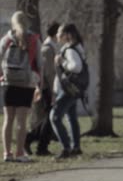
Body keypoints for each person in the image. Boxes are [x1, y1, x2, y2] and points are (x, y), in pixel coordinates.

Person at [1, 11, 42, 162]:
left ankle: (7, 153)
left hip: (8, 82)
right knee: (21, 121)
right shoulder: (33, 39)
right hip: (26, 84)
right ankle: (19, 153)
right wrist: (40, 84)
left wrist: (2, 76)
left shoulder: (6, 39)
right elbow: (39, 63)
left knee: (8, 119)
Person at [49, 23, 85, 159]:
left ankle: (66, 148)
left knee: (55, 117)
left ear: (67, 35)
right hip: (72, 89)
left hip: (68, 90)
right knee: (71, 117)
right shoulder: (77, 47)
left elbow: (77, 67)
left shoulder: (69, 50)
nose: (57, 35)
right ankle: (75, 147)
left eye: (60, 33)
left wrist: (62, 62)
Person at [24, 22, 60, 156]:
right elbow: (48, 73)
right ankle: (37, 144)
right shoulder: (47, 49)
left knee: (49, 118)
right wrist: (53, 91)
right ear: (56, 33)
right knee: (50, 118)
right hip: (47, 88)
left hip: (48, 88)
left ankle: (37, 143)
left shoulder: (52, 47)